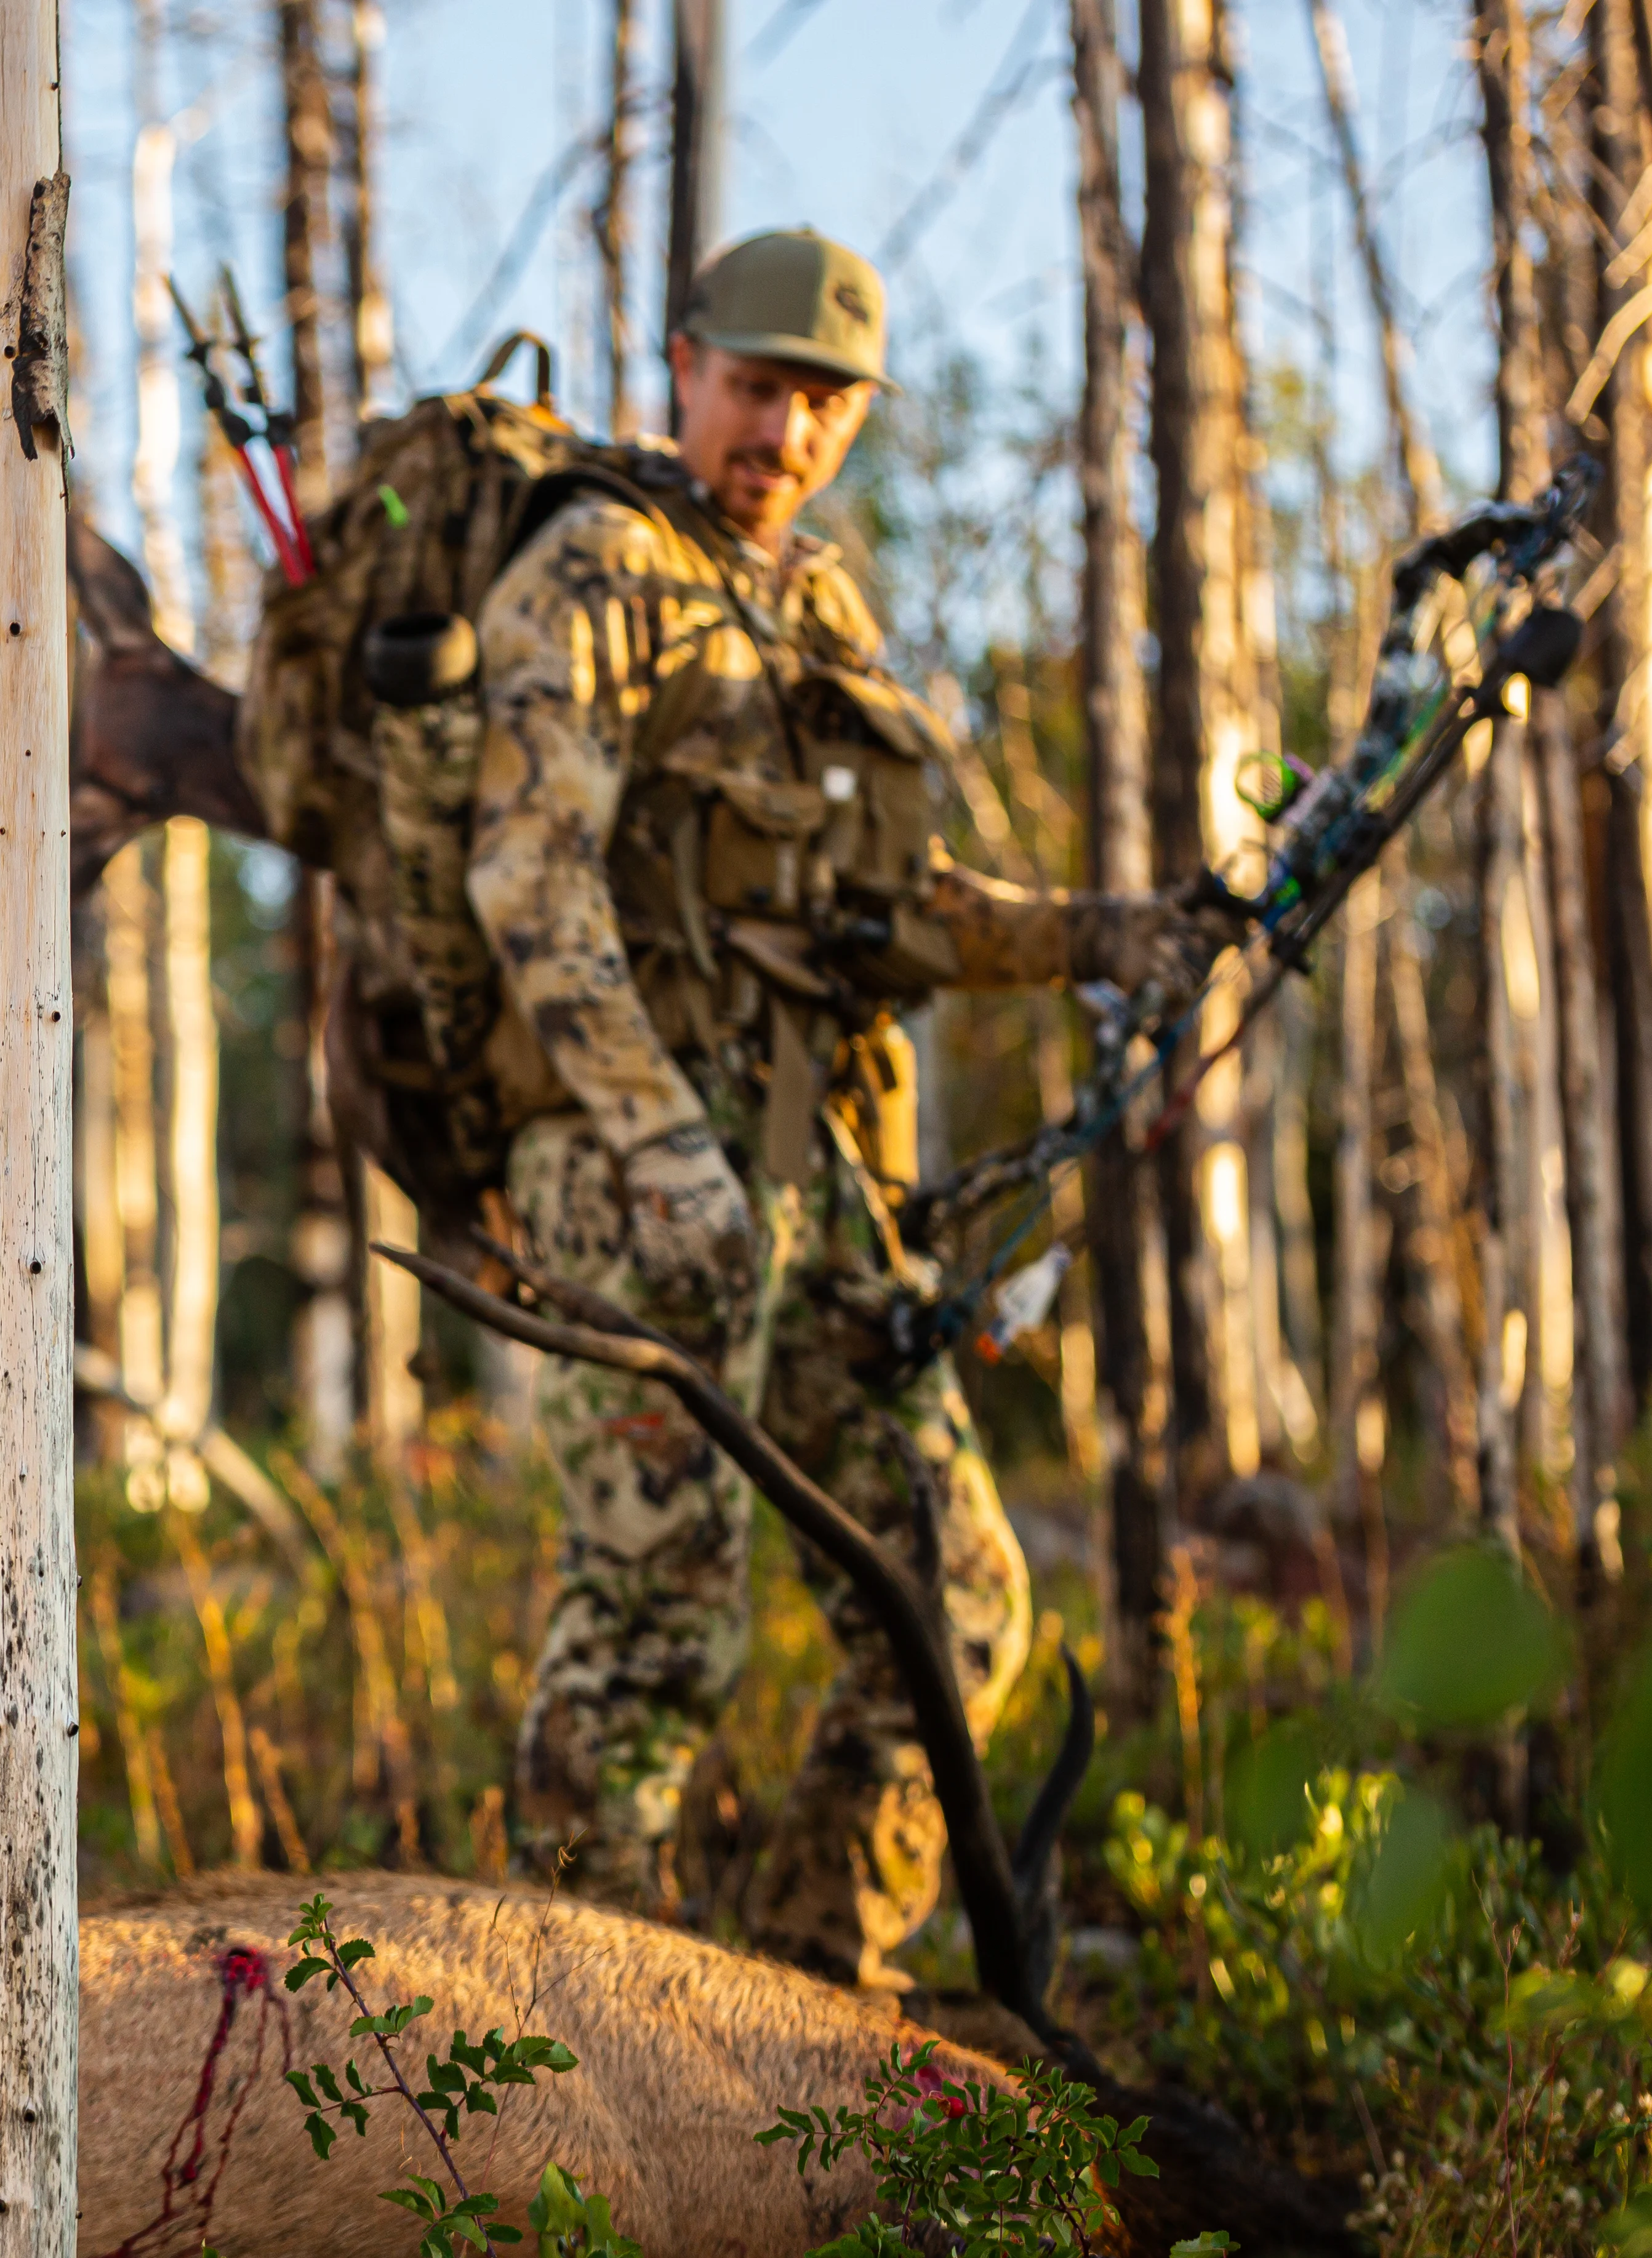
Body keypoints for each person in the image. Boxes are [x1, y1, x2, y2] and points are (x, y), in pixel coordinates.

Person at [467, 228, 1235, 1982]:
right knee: (658, 1627)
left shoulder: (816, 603)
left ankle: (801, 2013)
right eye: (755, 388)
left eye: (824, 403)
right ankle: (557, 2074)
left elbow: (885, 916)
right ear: (681, 368)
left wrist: (1104, 939)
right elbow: (529, 882)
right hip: (627, 1173)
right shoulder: (591, 570)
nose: (785, 433)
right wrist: (659, 1146)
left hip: (814, 1182)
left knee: (958, 1606)